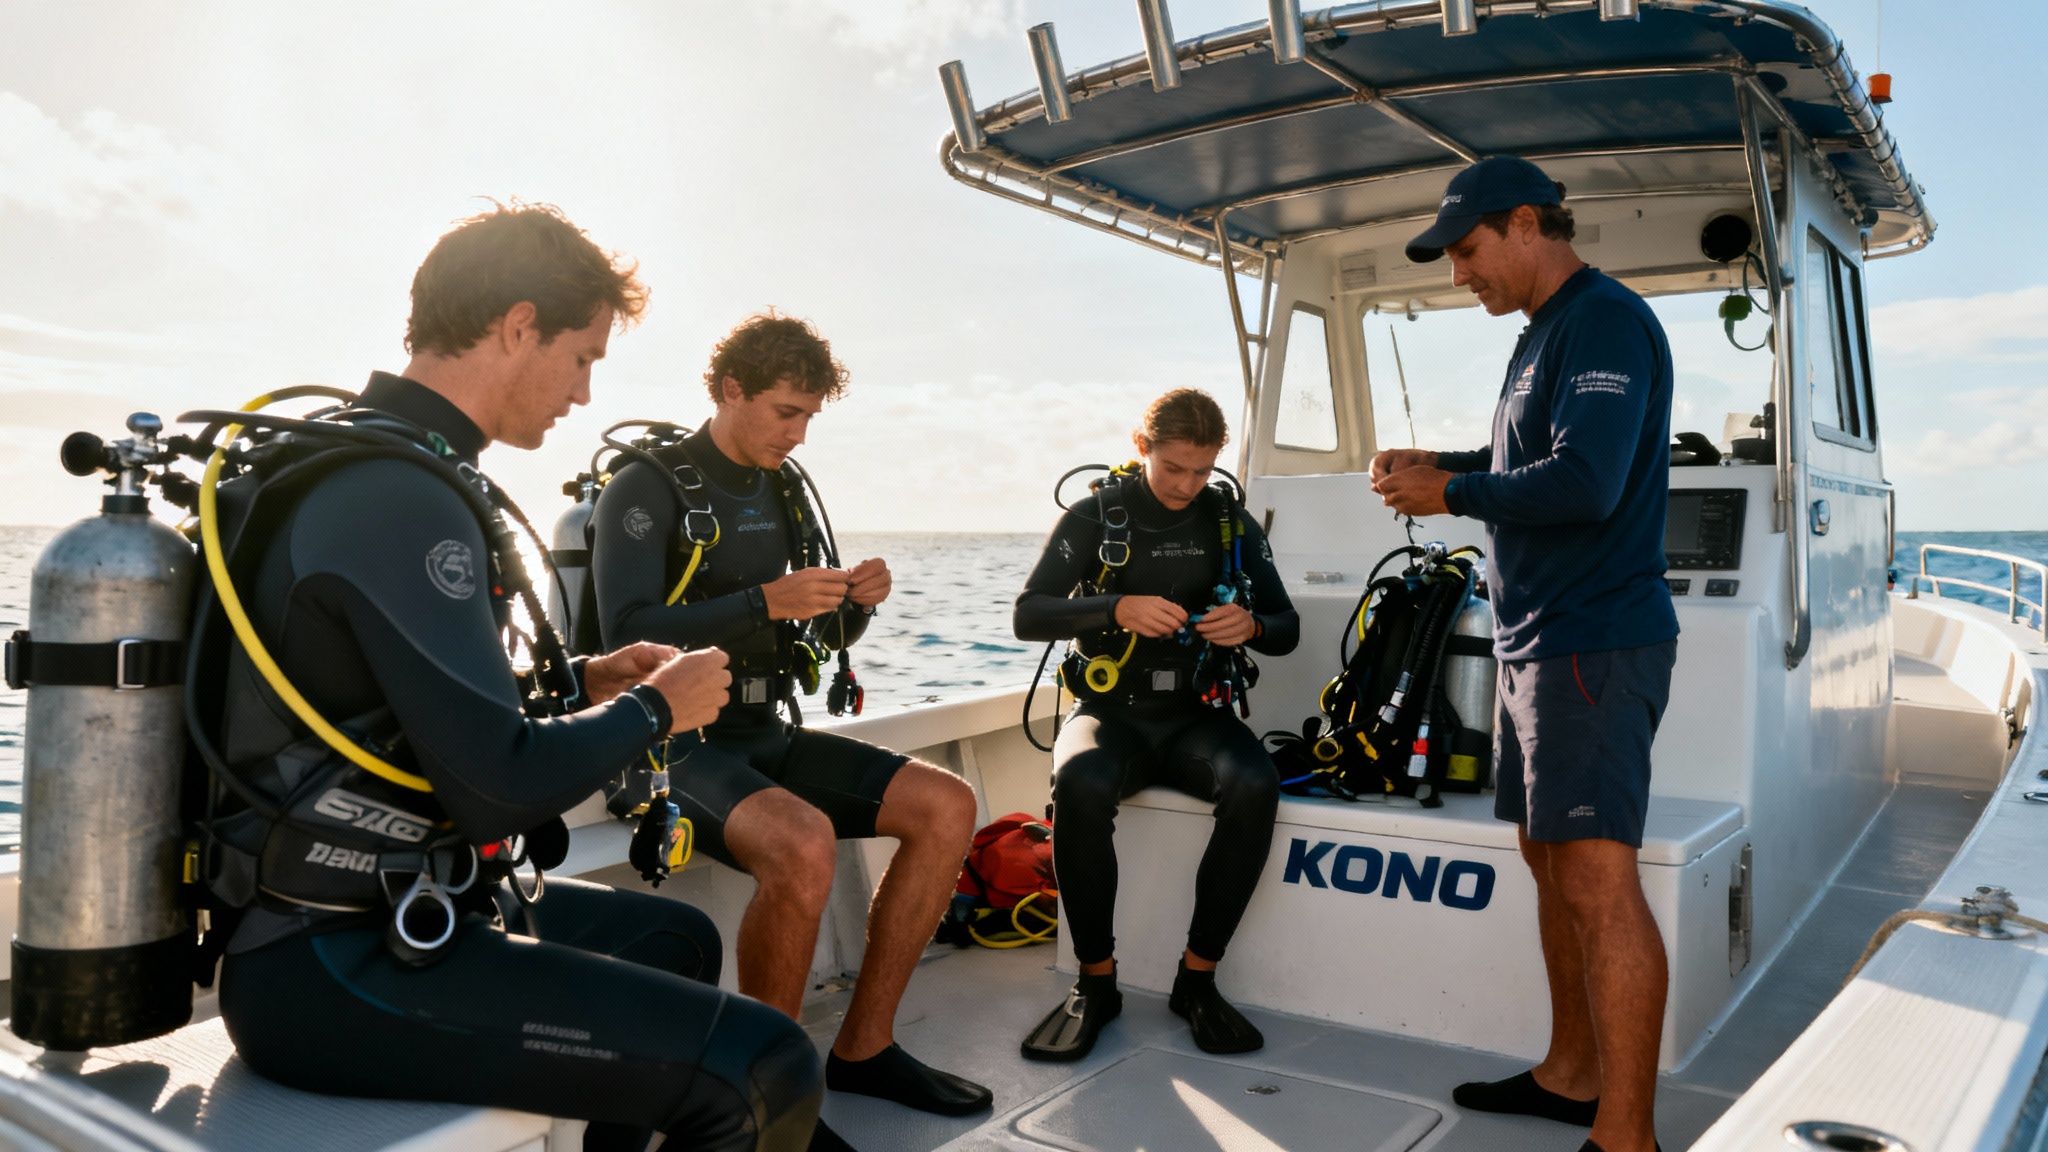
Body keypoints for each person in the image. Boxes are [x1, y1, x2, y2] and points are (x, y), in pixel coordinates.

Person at [209, 205, 822, 1152]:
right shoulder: (394, 494)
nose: (582, 394)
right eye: (581, 357)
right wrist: (658, 708)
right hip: (330, 961)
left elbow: (394, 709)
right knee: (765, 1070)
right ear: (517, 325)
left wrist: (584, 682)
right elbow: (498, 787)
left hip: (402, 906)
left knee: (677, 942)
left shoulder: (384, 468)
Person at [587, 313, 991, 1137]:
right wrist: (762, 601)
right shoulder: (649, 485)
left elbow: (828, 640)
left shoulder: (783, 487)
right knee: (802, 842)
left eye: (809, 415)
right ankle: (761, 1103)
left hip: (761, 730)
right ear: (731, 390)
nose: (798, 433)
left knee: (946, 806)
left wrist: (856, 605)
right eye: (784, 411)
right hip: (667, 746)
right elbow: (618, 629)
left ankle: (864, 1049)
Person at [1373, 155, 1679, 1152]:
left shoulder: (1602, 321)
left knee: (1595, 879)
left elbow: (1585, 482)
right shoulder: (1541, 333)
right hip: (1534, 647)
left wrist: (1449, 499)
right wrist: (1443, 465)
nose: (1457, 274)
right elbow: (1526, 461)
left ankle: (1624, 1133)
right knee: (1548, 867)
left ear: (1522, 224)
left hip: (1591, 645)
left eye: (1466, 251)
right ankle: (1569, 1074)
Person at [1011, 389, 1300, 1062]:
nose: (1186, 485)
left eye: (1201, 471)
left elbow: (1285, 627)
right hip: (1110, 716)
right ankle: (1096, 984)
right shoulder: (1095, 517)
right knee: (1079, 785)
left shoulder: (1230, 523)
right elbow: (1029, 615)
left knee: (1256, 783)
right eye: (1173, 467)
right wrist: (1116, 607)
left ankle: (1197, 981)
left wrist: (1251, 625)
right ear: (1142, 449)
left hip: (1197, 716)